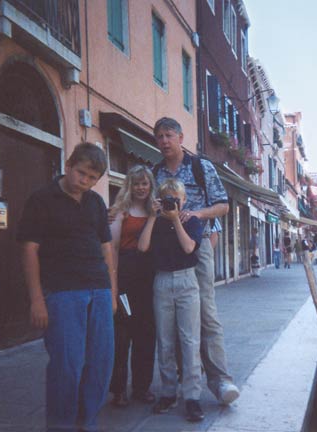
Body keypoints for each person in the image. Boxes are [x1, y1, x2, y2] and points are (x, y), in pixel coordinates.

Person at [17, 143, 117, 432]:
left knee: (100, 365)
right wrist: (36, 299)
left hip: (98, 290)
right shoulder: (41, 199)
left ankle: (87, 424)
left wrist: (111, 291)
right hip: (62, 292)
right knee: (67, 367)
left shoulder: (96, 202)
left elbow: (106, 249)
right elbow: (29, 249)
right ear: (69, 163)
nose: (84, 181)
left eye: (91, 178)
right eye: (81, 173)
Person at [152, 117, 240, 404]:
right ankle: (181, 379)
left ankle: (220, 381)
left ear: (180, 137)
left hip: (197, 244)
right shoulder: (156, 172)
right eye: (159, 136)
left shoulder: (201, 167)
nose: (164, 141)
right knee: (174, 321)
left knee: (207, 313)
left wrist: (196, 215)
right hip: (167, 249)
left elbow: (223, 205)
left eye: (169, 135)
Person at [138, 178, 205, 422]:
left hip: (187, 281)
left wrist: (175, 218)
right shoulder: (154, 223)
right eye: (166, 199)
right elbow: (143, 247)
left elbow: (189, 248)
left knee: (189, 340)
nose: (170, 204)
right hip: (162, 281)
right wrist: (154, 216)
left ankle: (192, 397)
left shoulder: (192, 221)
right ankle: (168, 392)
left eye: (174, 200)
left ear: (183, 200)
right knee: (165, 340)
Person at [108, 165, 157, 407]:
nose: (140, 187)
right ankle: (118, 390)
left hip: (149, 279)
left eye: (145, 183)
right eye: (136, 183)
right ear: (130, 185)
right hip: (126, 276)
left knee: (146, 335)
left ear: (151, 186)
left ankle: (141, 387)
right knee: (122, 335)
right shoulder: (120, 212)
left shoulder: (155, 211)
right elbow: (113, 250)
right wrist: (113, 286)